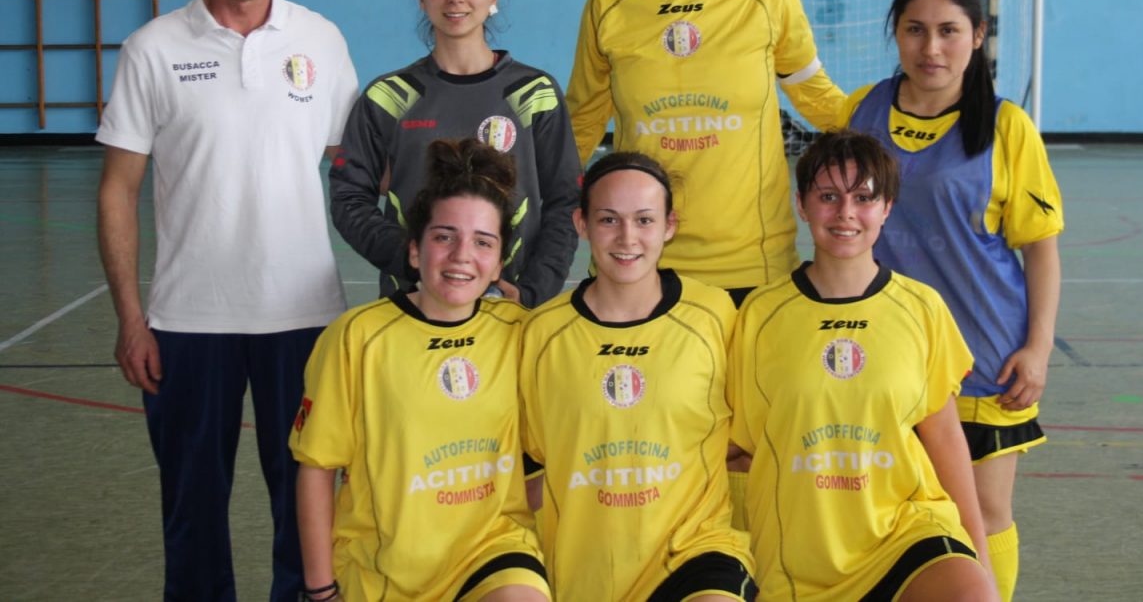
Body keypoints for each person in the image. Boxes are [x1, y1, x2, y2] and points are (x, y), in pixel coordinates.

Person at [96, 0, 359, 601]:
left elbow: (360, 172)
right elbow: (118, 188)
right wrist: (129, 317)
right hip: (187, 323)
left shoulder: (321, 39)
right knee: (191, 511)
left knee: (306, 513)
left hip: (305, 319)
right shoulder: (151, 48)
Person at [843, 0, 1064, 601]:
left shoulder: (1005, 126)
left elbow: (1042, 250)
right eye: (915, 30)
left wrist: (1039, 347)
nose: (930, 48)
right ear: (896, 35)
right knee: (889, 508)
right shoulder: (865, 109)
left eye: (948, 31)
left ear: (978, 36)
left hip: (984, 353)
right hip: (885, 352)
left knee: (984, 512)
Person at [566, 0, 846, 306]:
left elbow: (817, 97)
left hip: (752, 263)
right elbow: (581, 121)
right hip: (641, 261)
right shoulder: (607, 4)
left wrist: (901, 130)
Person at [729, 130, 998, 601]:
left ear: (887, 207)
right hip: (801, 553)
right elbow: (739, 443)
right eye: (828, 196)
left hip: (905, 529)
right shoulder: (760, 314)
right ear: (801, 204)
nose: (846, 213)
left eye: (864, 197)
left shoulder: (922, 308)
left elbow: (944, 436)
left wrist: (979, 556)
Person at [291, 138, 549, 602]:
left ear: (498, 265)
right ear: (414, 251)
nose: (461, 255)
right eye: (444, 236)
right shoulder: (357, 338)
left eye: (483, 242)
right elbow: (315, 468)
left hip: (492, 552)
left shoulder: (520, 333)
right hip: (382, 568)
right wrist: (320, 591)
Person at [519, 152, 756, 601]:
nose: (628, 237)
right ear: (581, 224)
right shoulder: (542, 334)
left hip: (697, 552)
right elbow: (537, 459)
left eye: (645, 220)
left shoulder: (716, 315)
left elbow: (747, 435)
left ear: (670, 225)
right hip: (584, 570)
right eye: (609, 219)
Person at [330, 0, 578, 306]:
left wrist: (534, 289)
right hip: (413, 303)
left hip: (510, 307)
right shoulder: (388, 97)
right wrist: (417, 265)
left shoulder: (535, 93)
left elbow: (566, 200)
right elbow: (349, 197)